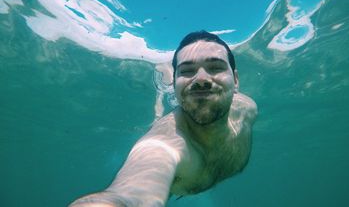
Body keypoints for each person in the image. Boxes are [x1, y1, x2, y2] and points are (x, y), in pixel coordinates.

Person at [70, 31, 258, 207]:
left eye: (215, 67)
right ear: (174, 84)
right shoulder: (164, 145)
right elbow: (130, 193)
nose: (201, 79)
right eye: (186, 71)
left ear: (235, 80)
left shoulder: (248, 110)